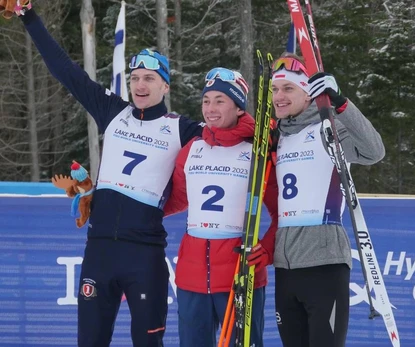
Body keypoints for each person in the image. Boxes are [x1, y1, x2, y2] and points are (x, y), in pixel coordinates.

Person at [14, 2, 202, 346]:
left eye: (149, 78)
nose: (140, 85)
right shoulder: (113, 111)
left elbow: (228, 134)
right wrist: (27, 14)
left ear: (166, 87)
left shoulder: (182, 129)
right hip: (99, 251)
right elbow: (66, 71)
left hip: (144, 255)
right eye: (135, 78)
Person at [270, 53, 386, 347]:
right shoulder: (275, 137)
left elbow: (374, 151)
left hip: (324, 264)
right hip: (285, 268)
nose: (279, 97)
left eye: (288, 89)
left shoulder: (329, 129)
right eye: (274, 89)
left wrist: (341, 103)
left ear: (308, 92)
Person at [163, 67, 279, 347]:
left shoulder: (258, 149)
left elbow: (281, 212)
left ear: (239, 108)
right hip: (192, 273)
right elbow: (176, 199)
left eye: (220, 100)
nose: (210, 109)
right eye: (206, 101)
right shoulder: (192, 147)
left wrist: (267, 250)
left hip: (239, 271)